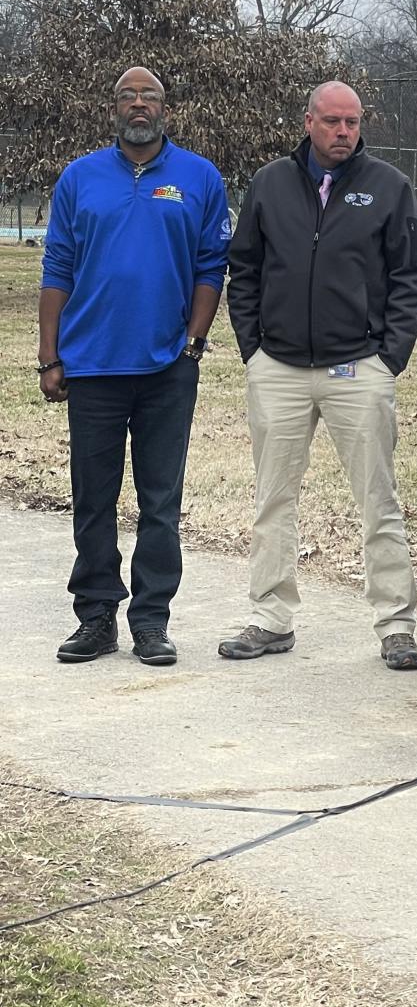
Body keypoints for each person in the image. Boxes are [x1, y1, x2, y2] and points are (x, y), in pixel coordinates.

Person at [220, 82, 417, 671]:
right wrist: (253, 348)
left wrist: (388, 356)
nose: (344, 132)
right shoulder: (270, 183)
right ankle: (270, 616)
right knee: (272, 498)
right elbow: (246, 266)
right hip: (279, 367)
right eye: (333, 121)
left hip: (357, 366)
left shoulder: (388, 186)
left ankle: (395, 624)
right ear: (308, 121)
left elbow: (411, 274)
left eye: (353, 122)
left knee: (378, 499)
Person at [41, 68, 230, 667]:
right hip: (92, 365)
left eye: (149, 96)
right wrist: (50, 355)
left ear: (165, 109)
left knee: (159, 501)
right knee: (92, 498)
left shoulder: (199, 177)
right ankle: (96, 617)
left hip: (166, 369)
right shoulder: (79, 178)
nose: (140, 105)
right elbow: (57, 268)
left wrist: (193, 343)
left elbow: (211, 266)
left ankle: (151, 620)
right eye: (129, 96)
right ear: (114, 108)